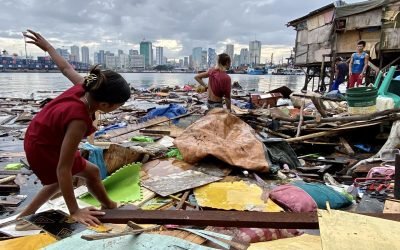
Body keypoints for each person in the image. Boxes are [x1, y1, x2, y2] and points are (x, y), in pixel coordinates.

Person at [17, 30, 131, 228]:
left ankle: (109, 204)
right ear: (105, 105)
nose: (117, 109)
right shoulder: (78, 119)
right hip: (43, 145)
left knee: (92, 172)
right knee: (59, 178)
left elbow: (65, 67)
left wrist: (49, 48)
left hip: (40, 133)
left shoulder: (85, 87)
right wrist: (75, 211)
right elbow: (64, 168)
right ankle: (25, 217)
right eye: (118, 106)